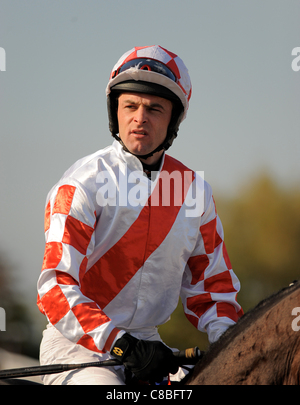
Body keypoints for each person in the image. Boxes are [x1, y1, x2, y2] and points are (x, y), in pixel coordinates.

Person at [37, 45, 243, 385]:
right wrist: (120, 346)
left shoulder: (194, 191)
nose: (139, 118)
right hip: (78, 352)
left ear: (174, 120)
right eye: (129, 105)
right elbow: (55, 288)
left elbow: (214, 292)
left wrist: (231, 349)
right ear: (114, 112)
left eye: (154, 108)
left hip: (152, 351)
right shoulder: (81, 185)